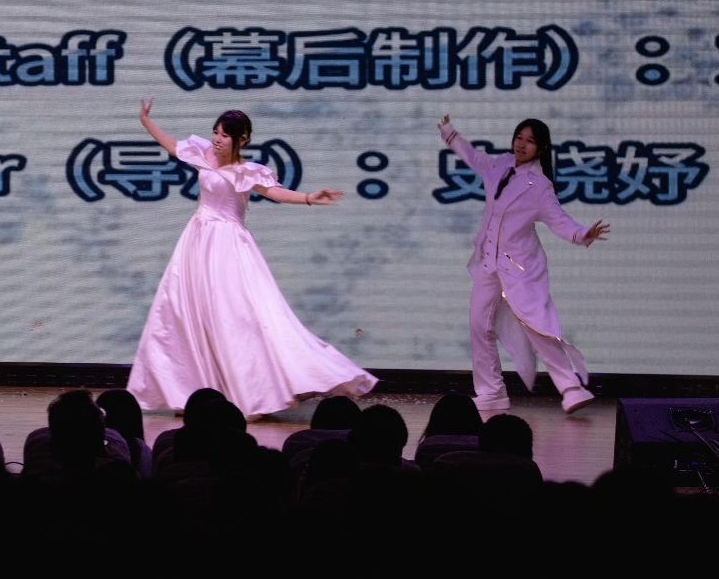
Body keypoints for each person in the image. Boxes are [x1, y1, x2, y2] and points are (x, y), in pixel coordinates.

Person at [126, 101, 377, 419]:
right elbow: (173, 146)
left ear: (241, 139)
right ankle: (192, 392)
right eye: (215, 132)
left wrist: (308, 198)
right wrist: (145, 120)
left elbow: (275, 192)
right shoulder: (204, 155)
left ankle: (250, 395)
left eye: (224, 135)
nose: (217, 139)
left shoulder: (247, 172)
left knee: (234, 316)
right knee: (187, 312)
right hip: (196, 241)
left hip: (228, 246)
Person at [438, 115, 609, 414]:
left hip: (520, 268)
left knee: (536, 326)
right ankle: (491, 392)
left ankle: (571, 388)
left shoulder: (539, 186)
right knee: (479, 325)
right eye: (519, 138)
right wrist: (451, 135)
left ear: (540, 148)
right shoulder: (501, 164)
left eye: (530, 141)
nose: (522, 144)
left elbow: (559, 220)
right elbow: (474, 158)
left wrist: (583, 234)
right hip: (489, 263)